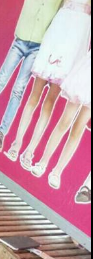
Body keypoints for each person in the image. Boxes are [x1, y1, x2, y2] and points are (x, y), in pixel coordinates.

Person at [0, 0, 73, 153]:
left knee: (18, 90)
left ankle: (2, 132)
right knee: (0, 80)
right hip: (20, 38)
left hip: (39, 45)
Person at [6, 0, 91, 168]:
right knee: (35, 95)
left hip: (75, 43)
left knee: (49, 101)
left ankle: (30, 150)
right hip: (58, 32)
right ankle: (17, 143)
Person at [30, 50, 91, 189]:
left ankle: (57, 172)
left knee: (78, 129)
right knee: (65, 121)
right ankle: (43, 162)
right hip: (87, 73)